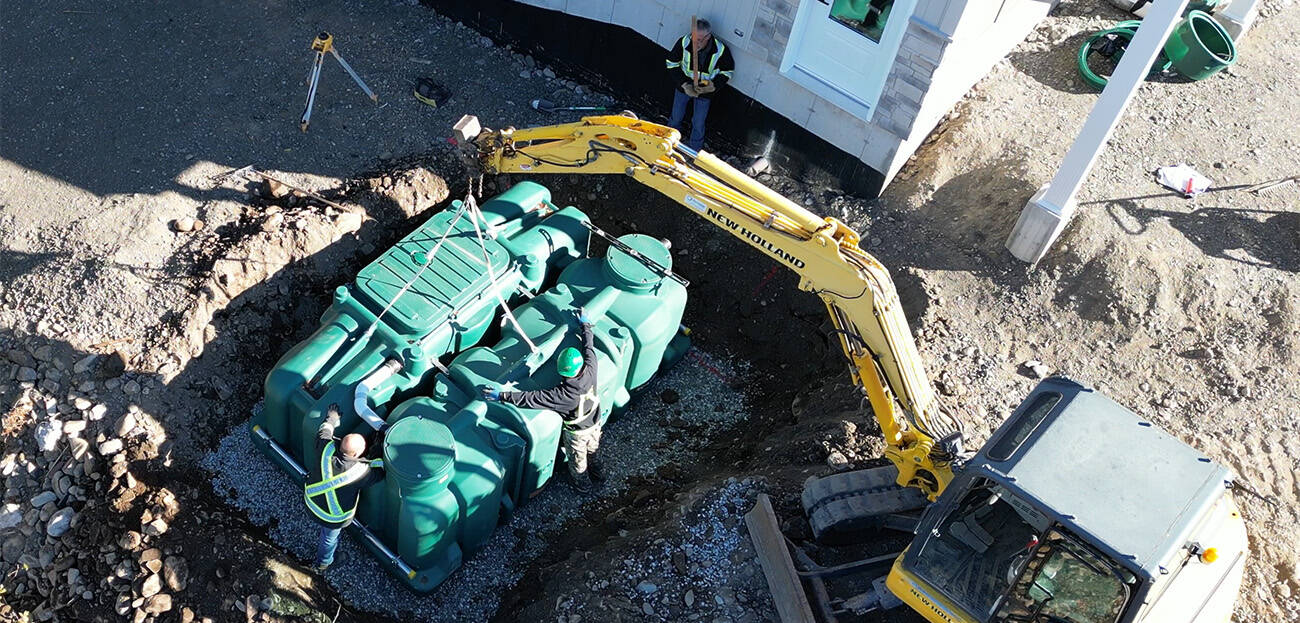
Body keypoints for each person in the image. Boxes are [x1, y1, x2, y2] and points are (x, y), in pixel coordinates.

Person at [482, 309, 602, 492]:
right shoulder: (591, 367)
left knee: (578, 461)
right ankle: (599, 472)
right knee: (594, 449)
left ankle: (582, 485)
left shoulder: (561, 395)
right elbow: (588, 348)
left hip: (578, 434)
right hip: (595, 423)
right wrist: (586, 325)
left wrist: (501, 396)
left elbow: (530, 399)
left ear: (562, 372)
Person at [303, 404, 384, 571]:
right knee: (328, 539)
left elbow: (324, 431)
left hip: (311, 502)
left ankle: (324, 561)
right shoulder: (360, 472)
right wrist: (377, 451)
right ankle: (324, 563)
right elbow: (379, 473)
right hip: (332, 517)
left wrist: (332, 417)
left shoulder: (326, 449)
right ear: (356, 455)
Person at [665, 18, 734, 151]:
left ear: (708, 37)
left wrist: (713, 86)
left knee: (698, 123)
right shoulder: (684, 42)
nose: (695, 42)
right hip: (684, 87)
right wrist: (685, 84)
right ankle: (667, 144)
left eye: (700, 39)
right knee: (676, 117)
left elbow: (728, 71)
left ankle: (693, 152)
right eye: (694, 37)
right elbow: (671, 63)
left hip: (705, 91)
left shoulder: (720, 49)